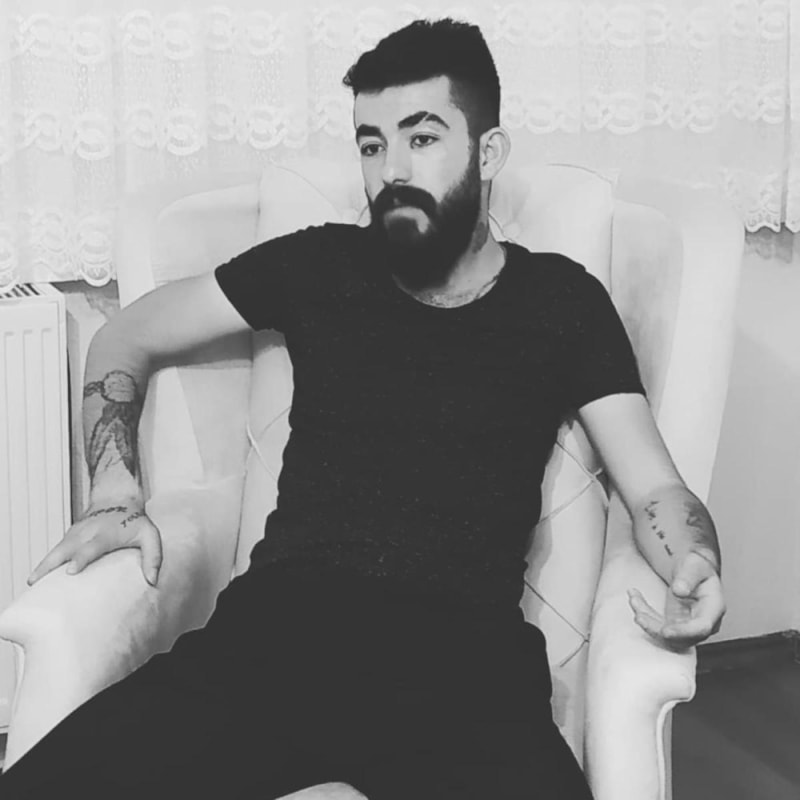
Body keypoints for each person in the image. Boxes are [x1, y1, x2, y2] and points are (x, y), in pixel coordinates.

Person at [1, 17, 726, 800]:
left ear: (488, 152)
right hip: (274, 644)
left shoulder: (562, 302)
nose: (392, 170)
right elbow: (125, 336)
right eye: (372, 145)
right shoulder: (319, 264)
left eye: (423, 138)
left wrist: (695, 562)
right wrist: (114, 491)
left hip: (465, 679)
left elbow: (654, 486)